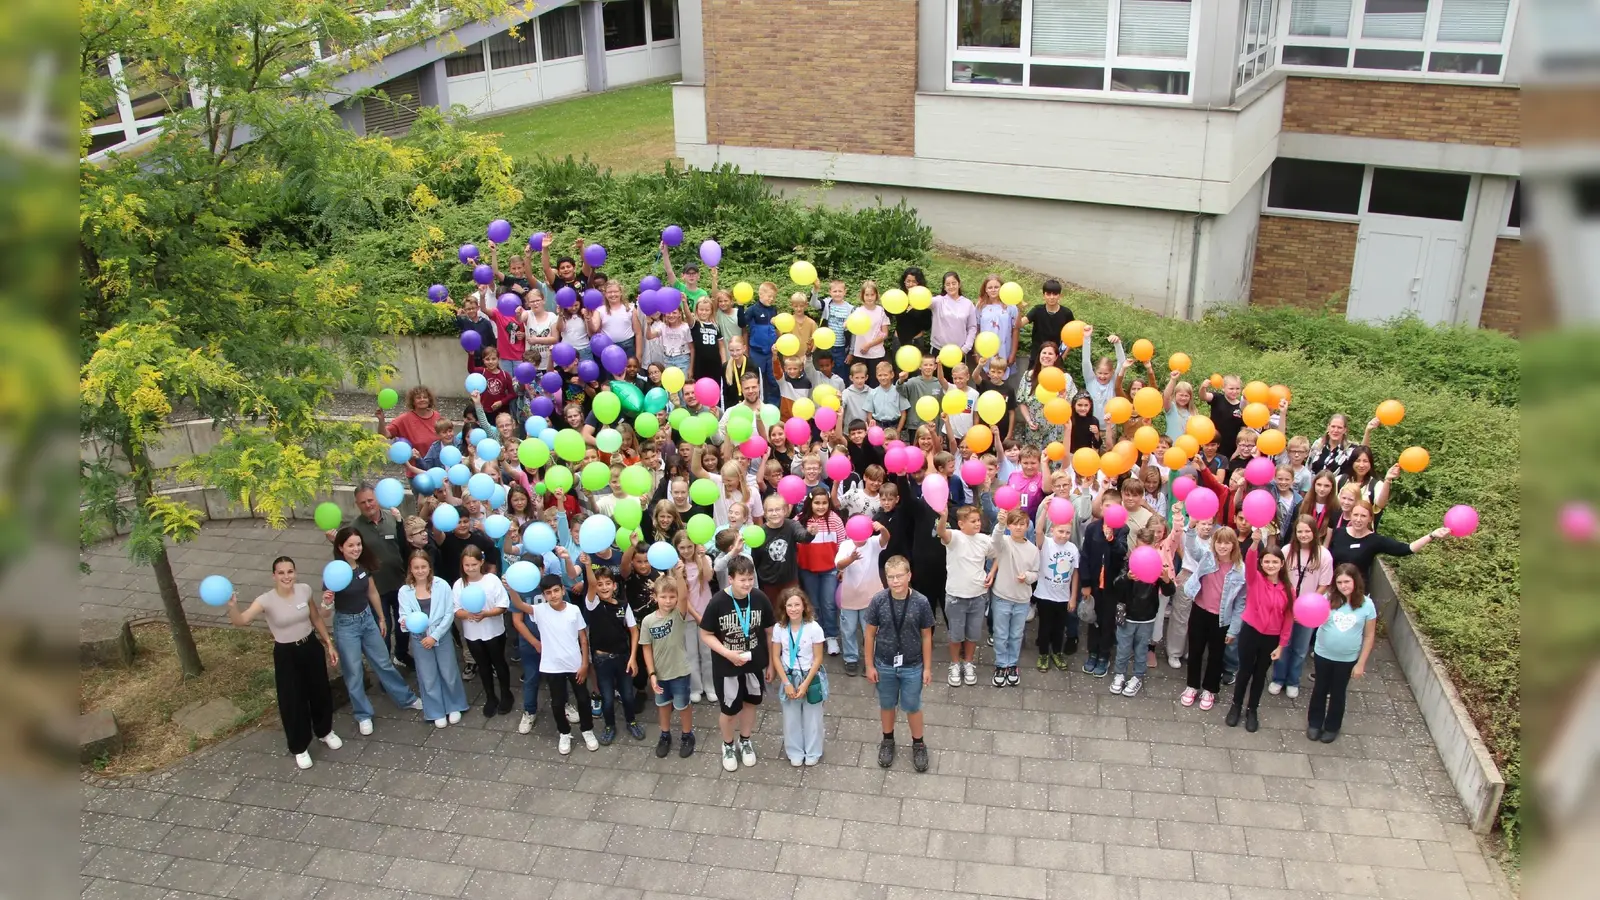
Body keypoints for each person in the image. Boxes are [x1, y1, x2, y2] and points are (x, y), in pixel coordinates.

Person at [225, 557, 341, 768]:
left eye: (290, 572)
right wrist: (232, 606)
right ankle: (300, 746)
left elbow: (316, 618)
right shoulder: (265, 600)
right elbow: (241, 621)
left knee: (320, 691)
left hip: (310, 646)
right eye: (281, 573)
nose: (286, 576)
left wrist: (328, 643)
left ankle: (325, 731)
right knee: (292, 699)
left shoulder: (304, 590)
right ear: (274, 576)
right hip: (286, 653)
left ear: (295, 573)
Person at [324, 527, 421, 735]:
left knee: (383, 663)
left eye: (358, 544)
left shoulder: (362, 566)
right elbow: (324, 611)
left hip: (367, 619)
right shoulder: (334, 572)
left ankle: (406, 698)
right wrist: (326, 602)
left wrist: (382, 617)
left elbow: (372, 592)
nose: (356, 548)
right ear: (341, 547)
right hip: (346, 624)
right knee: (354, 671)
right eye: (350, 545)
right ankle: (363, 714)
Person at [700, 556, 777, 772]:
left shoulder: (759, 598)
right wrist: (727, 653)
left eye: (750, 579)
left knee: (751, 703)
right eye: (742, 580)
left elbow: (770, 632)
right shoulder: (717, 602)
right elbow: (705, 634)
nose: (747, 584)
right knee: (729, 710)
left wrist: (771, 664)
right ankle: (727, 745)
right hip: (727, 668)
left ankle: (745, 740)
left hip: (754, 664)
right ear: (730, 579)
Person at [514, 573, 600, 754]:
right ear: (544, 595)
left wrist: (584, 664)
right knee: (557, 702)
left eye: (556, 591)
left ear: (562, 590)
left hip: (575, 664)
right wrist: (511, 588)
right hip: (552, 666)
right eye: (548, 592)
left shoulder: (574, 610)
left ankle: (587, 730)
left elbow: (583, 639)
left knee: (583, 699)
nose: (553, 595)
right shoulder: (540, 610)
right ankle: (564, 733)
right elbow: (520, 605)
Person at [864, 556, 934, 772]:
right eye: (891, 577)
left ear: (909, 575)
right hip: (884, 663)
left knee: (912, 706)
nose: (895, 581)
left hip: (913, 665)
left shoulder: (921, 602)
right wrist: (869, 665)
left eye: (899, 576)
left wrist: (928, 668)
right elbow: (869, 635)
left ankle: (918, 743)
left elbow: (926, 636)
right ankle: (887, 740)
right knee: (886, 704)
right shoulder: (878, 600)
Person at [336, 484, 413, 671]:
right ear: (357, 504)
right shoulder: (355, 529)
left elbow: (404, 548)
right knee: (382, 632)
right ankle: (385, 667)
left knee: (405, 626)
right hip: (375, 590)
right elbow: (348, 558)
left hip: (400, 583)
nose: (368, 505)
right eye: (363, 502)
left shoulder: (393, 518)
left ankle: (401, 655)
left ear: (377, 498)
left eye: (370, 500)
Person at [1226, 532, 1295, 733]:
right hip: (1251, 632)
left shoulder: (1288, 589)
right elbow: (1248, 559)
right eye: (1266, 561)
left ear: (1281, 564)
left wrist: (1282, 645)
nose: (1270, 565)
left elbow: (1289, 618)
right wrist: (1255, 543)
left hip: (1271, 638)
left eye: (1275, 562)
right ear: (1261, 563)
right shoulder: (1254, 579)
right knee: (1245, 671)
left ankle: (1252, 709)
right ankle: (1236, 705)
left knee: (1260, 674)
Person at [1177, 516, 1245, 711]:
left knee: (1216, 655)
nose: (1222, 547)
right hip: (1200, 611)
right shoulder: (1207, 557)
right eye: (1219, 542)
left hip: (1221, 619)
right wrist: (1190, 528)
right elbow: (1192, 548)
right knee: (1196, 651)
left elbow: (1241, 603)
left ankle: (1210, 689)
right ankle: (1192, 686)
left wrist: (1233, 630)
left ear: (1233, 545)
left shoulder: (1240, 571)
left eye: (1227, 543)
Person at [397, 550, 469, 728]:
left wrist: (435, 636)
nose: (420, 571)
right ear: (411, 570)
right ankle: (436, 710)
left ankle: (455, 705)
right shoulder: (405, 591)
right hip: (419, 637)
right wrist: (406, 622)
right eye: (416, 568)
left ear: (429, 567)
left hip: (441, 635)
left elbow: (448, 614)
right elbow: (403, 615)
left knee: (448, 671)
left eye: (423, 567)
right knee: (427, 676)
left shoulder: (442, 585)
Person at [1306, 564, 1378, 743]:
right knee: (1320, 688)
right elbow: (1314, 619)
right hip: (1323, 654)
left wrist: (1361, 663)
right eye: (1339, 582)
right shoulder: (1327, 599)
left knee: (1338, 692)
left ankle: (1332, 726)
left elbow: (1369, 636)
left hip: (1347, 659)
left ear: (1355, 581)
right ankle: (1314, 722)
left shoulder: (1367, 605)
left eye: (1347, 581)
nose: (1343, 586)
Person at [580, 560, 645, 745]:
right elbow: (591, 584)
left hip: (623, 658)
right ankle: (609, 726)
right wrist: (587, 566)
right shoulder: (592, 604)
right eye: (600, 584)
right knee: (607, 698)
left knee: (627, 695)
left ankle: (631, 721)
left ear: (615, 585)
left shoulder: (623, 606)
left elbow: (634, 631)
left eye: (608, 583)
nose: (604, 587)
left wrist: (633, 658)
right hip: (602, 661)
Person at [1107, 526, 1175, 698]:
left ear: (1154, 546)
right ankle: (1119, 674)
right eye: (1139, 547)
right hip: (1127, 615)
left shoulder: (1159, 567)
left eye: (1146, 548)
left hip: (1147, 617)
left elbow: (1169, 592)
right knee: (1122, 647)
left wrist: (1167, 581)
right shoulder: (1128, 563)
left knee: (1141, 650)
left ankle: (1137, 676)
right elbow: (1116, 585)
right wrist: (1127, 578)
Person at [1270, 514, 1333, 698]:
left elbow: (1324, 584)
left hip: (1310, 610)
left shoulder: (1324, 555)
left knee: (1300, 648)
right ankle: (1278, 678)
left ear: (1314, 532)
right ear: (1295, 532)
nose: (1304, 535)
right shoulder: (1287, 550)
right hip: (1286, 606)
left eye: (1307, 531)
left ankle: (1293, 681)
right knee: (1283, 643)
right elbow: (1278, 576)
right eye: (1300, 531)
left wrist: (1308, 605)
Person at [641, 565, 699, 758]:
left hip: (680, 671)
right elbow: (646, 647)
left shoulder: (678, 614)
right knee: (663, 705)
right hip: (660, 673)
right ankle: (665, 735)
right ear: (655, 597)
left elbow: (683, 596)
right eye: (663, 597)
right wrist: (651, 674)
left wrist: (679, 575)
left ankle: (686, 734)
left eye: (671, 597)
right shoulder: (648, 621)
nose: (668, 601)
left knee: (683, 705)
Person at [1329, 500, 1453, 583]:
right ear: (1350, 515)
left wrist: (1431, 535)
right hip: (1333, 586)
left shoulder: (1375, 540)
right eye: (1355, 515)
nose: (1358, 519)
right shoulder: (1339, 533)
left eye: (1363, 516)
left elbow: (1406, 549)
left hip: (1356, 592)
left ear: (1370, 518)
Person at [937, 505, 993, 687]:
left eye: (978, 520)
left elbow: (999, 553)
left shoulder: (985, 539)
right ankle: (955, 664)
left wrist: (992, 572)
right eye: (973, 521)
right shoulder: (954, 537)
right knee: (955, 634)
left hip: (978, 595)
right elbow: (941, 532)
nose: (977, 524)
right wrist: (944, 517)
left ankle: (968, 663)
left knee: (973, 634)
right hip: (956, 596)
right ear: (961, 524)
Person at [771, 586, 827, 767]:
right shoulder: (779, 628)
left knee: (813, 718)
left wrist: (805, 684)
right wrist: (786, 682)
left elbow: (818, 658)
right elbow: (776, 657)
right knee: (791, 717)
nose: (793, 609)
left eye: (797, 604)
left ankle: (813, 751)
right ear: (784, 608)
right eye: (789, 605)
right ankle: (794, 751)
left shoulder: (814, 628)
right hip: (789, 676)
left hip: (810, 676)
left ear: (804, 606)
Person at [454, 546, 511, 718]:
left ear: (481, 562)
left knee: (499, 662)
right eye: (467, 565)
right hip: (473, 634)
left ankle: (506, 694)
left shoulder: (492, 580)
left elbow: (503, 605)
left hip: (494, 631)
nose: (470, 568)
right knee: (483, 666)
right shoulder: (459, 585)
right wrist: (469, 615)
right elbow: (456, 610)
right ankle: (490, 697)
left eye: (473, 564)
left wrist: (486, 613)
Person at [988, 508, 1041, 688]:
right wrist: (1000, 524)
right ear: (1010, 525)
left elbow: (1036, 573)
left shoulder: (1033, 549)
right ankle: (1001, 664)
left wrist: (1026, 577)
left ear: (1027, 526)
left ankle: (1012, 664)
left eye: (1022, 524)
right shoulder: (1004, 541)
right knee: (1001, 634)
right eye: (1015, 524)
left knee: (1016, 635)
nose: (1018, 527)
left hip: (1022, 600)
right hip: (1002, 596)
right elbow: (994, 540)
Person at [834, 518, 888, 677]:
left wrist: (883, 528)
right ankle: (851, 658)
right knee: (848, 629)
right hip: (849, 596)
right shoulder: (845, 545)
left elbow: (885, 539)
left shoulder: (873, 542)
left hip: (871, 596)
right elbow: (838, 565)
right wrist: (851, 559)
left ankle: (870, 660)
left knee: (870, 631)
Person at [796, 487, 845, 656]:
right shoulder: (800, 520)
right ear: (810, 503)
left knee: (829, 604)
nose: (821, 506)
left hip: (830, 570)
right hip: (808, 570)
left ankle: (831, 636)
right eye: (817, 503)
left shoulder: (835, 520)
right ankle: (817, 635)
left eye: (824, 503)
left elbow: (842, 544)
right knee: (813, 604)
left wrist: (842, 568)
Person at [1034, 518, 1080, 671]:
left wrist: (1073, 597)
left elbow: (1075, 574)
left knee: (1060, 628)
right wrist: (1045, 511)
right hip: (1044, 595)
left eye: (1068, 532)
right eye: (1061, 531)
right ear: (1052, 529)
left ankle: (1057, 652)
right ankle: (1043, 654)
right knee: (1045, 627)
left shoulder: (1073, 548)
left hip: (1063, 597)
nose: (1064, 535)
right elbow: (1038, 531)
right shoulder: (1046, 543)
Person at [1020, 279, 1075, 369]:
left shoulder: (1066, 313)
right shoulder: (1037, 310)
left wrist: (1063, 356)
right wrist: (1019, 308)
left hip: (1055, 358)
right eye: (1048, 294)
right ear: (1044, 295)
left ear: (1060, 296)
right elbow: (1020, 324)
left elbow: (1073, 335)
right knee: (1032, 381)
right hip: (1037, 356)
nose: (1051, 297)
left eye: (1055, 294)